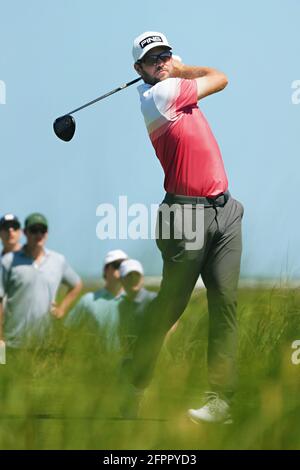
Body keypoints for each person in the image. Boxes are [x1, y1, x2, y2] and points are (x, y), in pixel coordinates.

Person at [123, 31, 244, 423]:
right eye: (152, 59)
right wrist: (180, 67)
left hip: (225, 209)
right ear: (139, 69)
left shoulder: (174, 88)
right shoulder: (158, 96)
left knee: (225, 301)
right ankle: (136, 379)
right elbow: (221, 76)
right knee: (172, 304)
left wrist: (175, 69)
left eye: (165, 55)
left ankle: (220, 400)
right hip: (185, 215)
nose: (161, 62)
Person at [0, 213, 82, 350]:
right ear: (26, 233)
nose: (39, 234)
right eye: (34, 230)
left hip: (46, 344)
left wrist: (61, 309)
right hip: (12, 343)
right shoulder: (7, 261)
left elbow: (77, 285)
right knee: (7, 371)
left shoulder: (58, 260)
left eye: (42, 230)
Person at [65, 249, 128, 345]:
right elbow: (67, 330)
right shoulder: (88, 301)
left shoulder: (135, 301)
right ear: (106, 270)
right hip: (96, 359)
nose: (122, 270)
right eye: (118, 265)